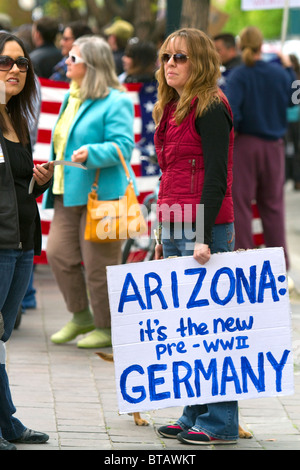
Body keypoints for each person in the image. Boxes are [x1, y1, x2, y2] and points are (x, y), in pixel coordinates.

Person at [153, 28, 237, 445]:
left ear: (200, 61)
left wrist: (203, 236)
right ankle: (192, 415)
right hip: (174, 222)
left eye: (180, 57)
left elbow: (216, 177)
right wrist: (161, 231)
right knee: (186, 329)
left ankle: (220, 423)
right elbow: (171, 174)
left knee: (212, 327)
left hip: (205, 229)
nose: (170, 64)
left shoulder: (211, 107)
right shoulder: (171, 106)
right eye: (167, 57)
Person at [43, 35, 135, 349]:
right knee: (57, 253)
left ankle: (107, 327)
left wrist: (92, 152)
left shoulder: (116, 99)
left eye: (72, 59)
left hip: (105, 195)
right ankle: (81, 316)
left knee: (100, 265)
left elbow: (124, 146)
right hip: (67, 192)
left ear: (91, 65)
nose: (65, 62)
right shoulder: (72, 96)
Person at [0, 31, 54, 450]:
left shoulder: (16, 118)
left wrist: (37, 184)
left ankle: (8, 424)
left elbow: (15, 185)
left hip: (20, 245)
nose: (15, 69)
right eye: (4, 62)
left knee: (1, 337)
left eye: (21, 63)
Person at [226, 26, 295, 271]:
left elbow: (231, 113)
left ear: (240, 45)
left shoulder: (238, 75)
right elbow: (295, 98)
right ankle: (280, 264)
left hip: (245, 145)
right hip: (274, 146)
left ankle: (245, 262)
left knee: (241, 204)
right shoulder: (279, 73)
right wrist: (289, 68)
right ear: (261, 44)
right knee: (273, 206)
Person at [285, 53, 300, 190]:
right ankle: (296, 179)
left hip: (290, 118)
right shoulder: (294, 77)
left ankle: (294, 178)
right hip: (293, 118)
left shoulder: (288, 77)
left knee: (290, 150)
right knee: (295, 150)